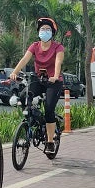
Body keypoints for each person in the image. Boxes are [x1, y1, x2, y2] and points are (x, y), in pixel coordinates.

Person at [6, 17, 65, 157]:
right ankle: (35, 118)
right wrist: (14, 72)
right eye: (42, 29)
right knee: (23, 96)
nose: (45, 31)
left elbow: (58, 62)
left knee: (49, 109)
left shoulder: (58, 47)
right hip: (39, 80)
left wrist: (55, 76)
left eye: (48, 29)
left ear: (52, 33)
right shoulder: (34, 46)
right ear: (38, 32)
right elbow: (25, 59)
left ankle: (50, 142)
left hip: (53, 82)